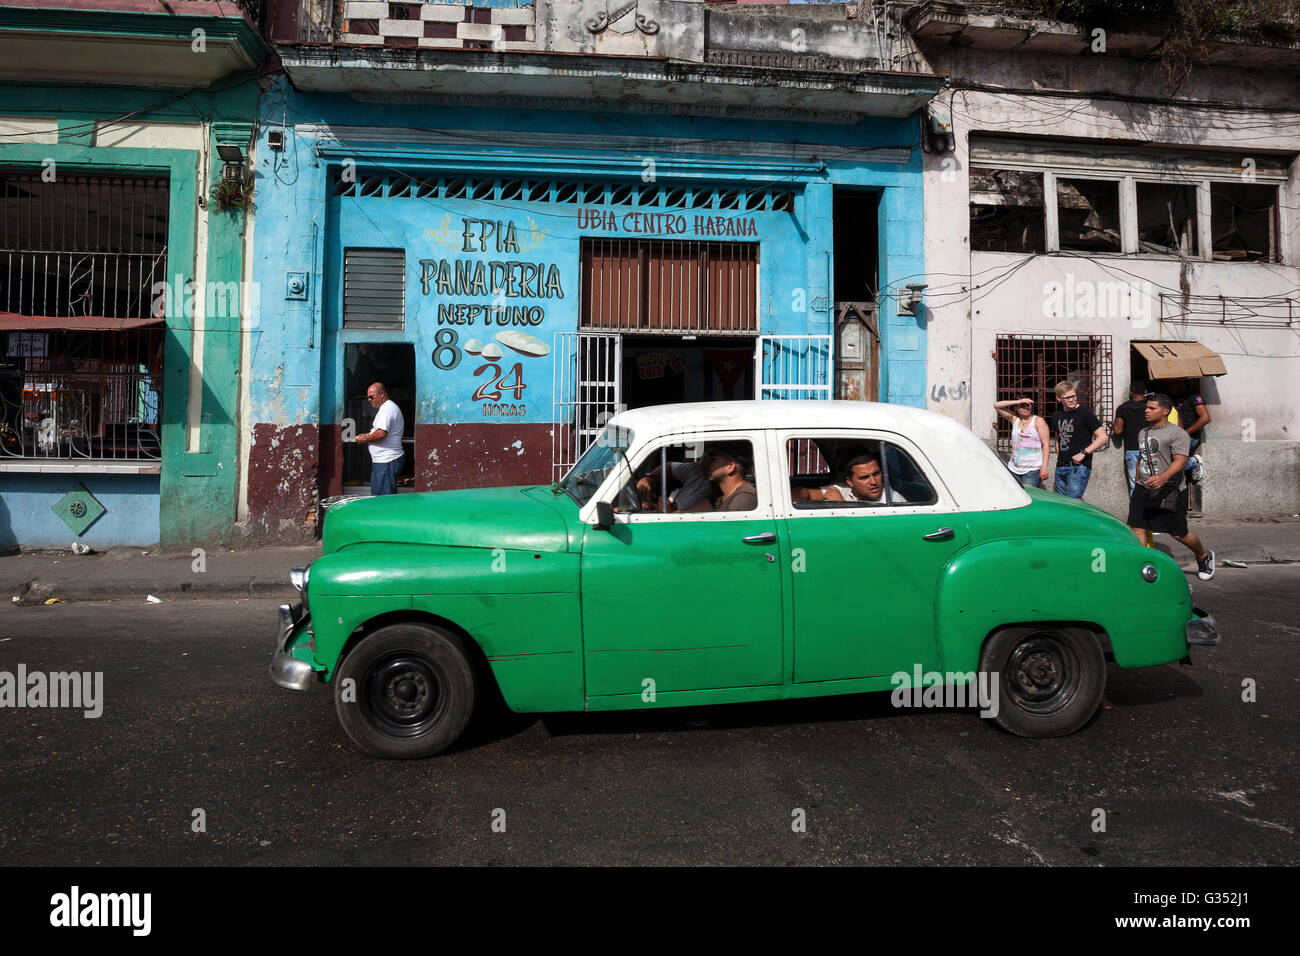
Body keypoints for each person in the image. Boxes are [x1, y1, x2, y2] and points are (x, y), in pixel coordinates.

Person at [1128, 393, 1215, 580]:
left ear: (1165, 411)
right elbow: (1142, 457)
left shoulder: (1177, 434)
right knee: (1138, 528)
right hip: (1143, 488)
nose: (1147, 411)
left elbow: (1181, 461)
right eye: (1147, 407)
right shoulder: (1144, 432)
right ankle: (1143, 568)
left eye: (1152, 408)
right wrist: (1137, 479)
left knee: (1178, 533)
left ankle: (1203, 556)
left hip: (1169, 489)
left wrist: (1163, 477)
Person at [1050, 380, 1107, 499]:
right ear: (1059, 398)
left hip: (1078, 467)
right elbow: (1058, 438)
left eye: (1073, 396)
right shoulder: (1056, 416)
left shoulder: (1085, 414)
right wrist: (1059, 457)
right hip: (1061, 465)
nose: (1072, 400)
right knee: (1061, 504)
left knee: (1072, 504)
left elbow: (1103, 437)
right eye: (1067, 397)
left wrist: (1083, 453)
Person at [355, 381, 404, 496]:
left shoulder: (387, 409)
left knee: (384, 501)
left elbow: (381, 434)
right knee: (378, 498)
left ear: (382, 394)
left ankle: (388, 515)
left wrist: (364, 438)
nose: (369, 400)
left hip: (387, 460)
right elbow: (379, 431)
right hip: (383, 461)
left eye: (372, 397)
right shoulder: (385, 408)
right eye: (368, 397)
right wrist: (366, 436)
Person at [995, 397, 1050, 488]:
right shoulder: (1015, 419)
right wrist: (1017, 401)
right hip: (1014, 469)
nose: (1026, 408)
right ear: (1017, 408)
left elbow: (1046, 445)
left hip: (1032, 471)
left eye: (1028, 405)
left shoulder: (1038, 421)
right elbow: (996, 405)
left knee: (1029, 497)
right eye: (1022, 406)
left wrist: (1044, 467)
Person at [1111, 381, 1149, 496]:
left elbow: (1117, 430)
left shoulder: (1123, 408)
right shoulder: (1152, 407)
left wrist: (1112, 425)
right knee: (1152, 483)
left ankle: (1136, 513)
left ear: (1131, 393)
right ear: (1145, 392)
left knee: (1135, 485)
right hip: (1150, 449)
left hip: (1132, 450)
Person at [1168, 377, 1208, 483]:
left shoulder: (1194, 397)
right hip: (1174, 437)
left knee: (1171, 463)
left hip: (1189, 437)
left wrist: (1185, 433)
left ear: (1181, 382)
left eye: (1172, 383)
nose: (1169, 386)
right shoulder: (1170, 398)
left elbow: (1205, 418)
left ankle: (1193, 462)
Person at [701, 444, 757, 511]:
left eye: (712, 458)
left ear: (730, 466)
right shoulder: (718, 494)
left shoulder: (743, 498)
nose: (705, 463)